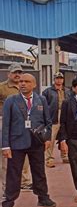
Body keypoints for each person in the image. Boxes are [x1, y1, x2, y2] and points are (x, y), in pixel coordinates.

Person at [0, 74, 56, 207]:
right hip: (16, 142)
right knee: (13, 173)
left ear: (34, 84)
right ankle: (8, 203)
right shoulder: (11, 101)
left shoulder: (41, 100)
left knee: (39, 171)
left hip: (37, 142)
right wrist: (5, 146)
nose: (23, 84)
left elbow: (47, 121)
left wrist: (47, 138)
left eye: (27, 81)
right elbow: (5, 125)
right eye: (21, 81)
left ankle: (43, 197)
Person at [0, 63, 32, 191]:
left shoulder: (24, 87)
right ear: (9, 74)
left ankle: (25, 181)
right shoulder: (2, 88)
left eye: (19, 72)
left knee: (24, 150)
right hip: (5, 122)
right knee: (5, 155)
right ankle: (5, 186)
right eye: (15, 72)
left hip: (23, 123)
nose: (17, 75)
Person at [42, 72, 70, 168]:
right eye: (57, 78)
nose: (59, 80)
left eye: (61, 78)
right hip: (53, 116)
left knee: (65, 137)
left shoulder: (67, 91)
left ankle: (65, 156)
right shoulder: (48, 92)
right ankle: (48, 158)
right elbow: (43, 106)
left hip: (65, 115)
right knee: (51, 138)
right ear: (54, 80)